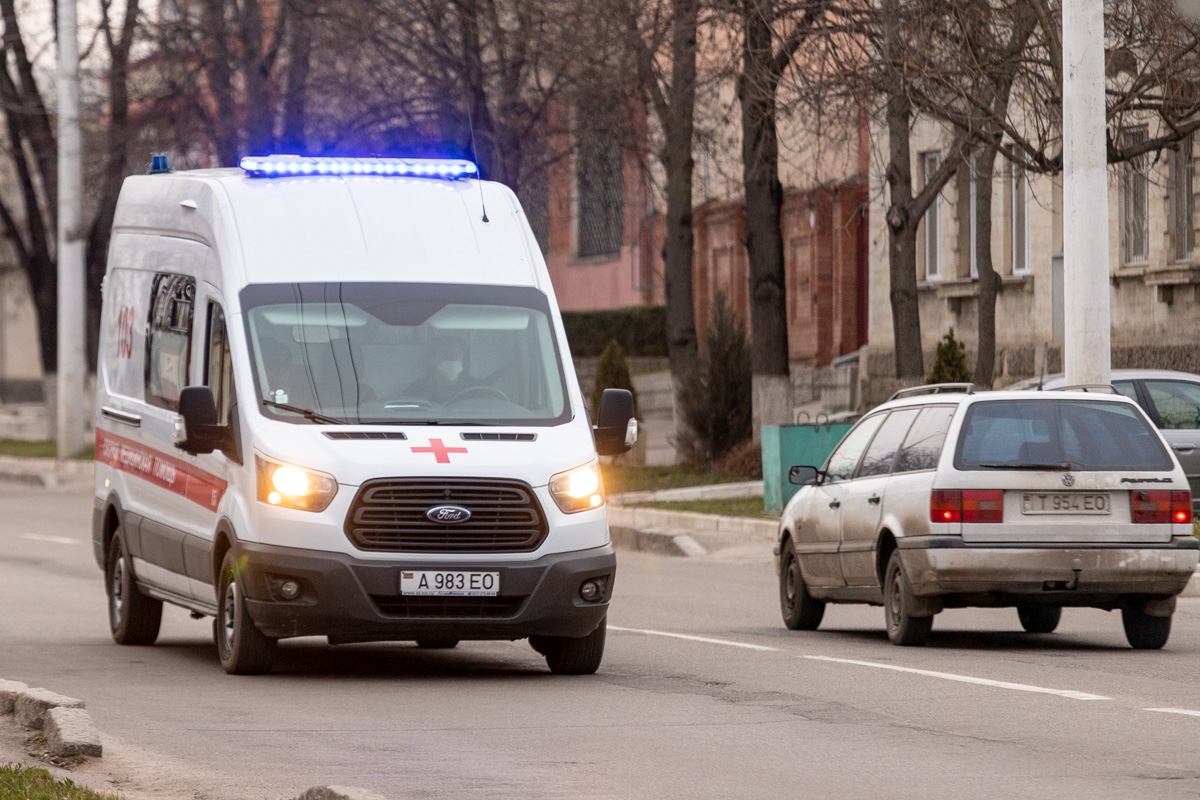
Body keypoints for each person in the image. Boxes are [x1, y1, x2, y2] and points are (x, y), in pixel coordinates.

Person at [403, 336, 480, 404]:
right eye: (445, 353)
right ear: (433, 359)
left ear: (463, 358)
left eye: (458, 353)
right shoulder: (417, 389)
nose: (453, 358)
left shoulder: (475, 388)